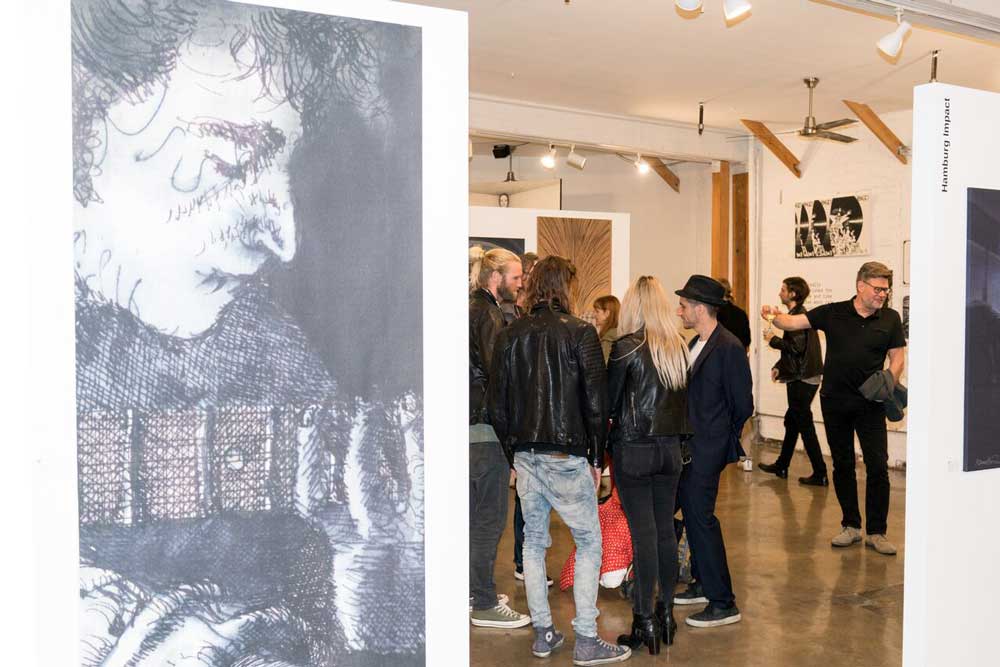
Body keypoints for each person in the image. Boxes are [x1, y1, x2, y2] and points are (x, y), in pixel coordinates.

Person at [72, 2, 424, 664]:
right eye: (226, 162)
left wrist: (374, 607)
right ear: (83, 129)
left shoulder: (270, 355)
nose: (283, 239)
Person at [489, 256, 631, 665]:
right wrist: (595, 457)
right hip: (567, 455)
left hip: (527, 455)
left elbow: (497, 405)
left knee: (533, 545)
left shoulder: (511, 333)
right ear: (565, 286)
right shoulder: (580, 333)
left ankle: (543, 633)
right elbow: (595, 402)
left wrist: (512, 454)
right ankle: (586, 639)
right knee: (589, 543)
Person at [763, 262, 905, 555]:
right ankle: (851, 526)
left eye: (886, 289)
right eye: (878, 289)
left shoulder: (890, 318)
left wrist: (889, 380)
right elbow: (793, 323)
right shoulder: (833, 312)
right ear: (861, 286)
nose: (883, 294)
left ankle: (876, 532)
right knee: (843, 465)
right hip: (835, 401)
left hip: (871, 403)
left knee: (878, 466)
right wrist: (772, 316)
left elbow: (897, 357)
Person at [607, 277, 692, 653]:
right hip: (670, 452)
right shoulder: (678, 348)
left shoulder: (626, 348)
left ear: (633, 307)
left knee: (644, 536)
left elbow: (608, 405)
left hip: (634, 451)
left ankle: (643, 620)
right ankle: (666, 615)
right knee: (662, 534)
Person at [672, 275, 753, 628]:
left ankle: (723, 602)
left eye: (684, 306)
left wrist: (722, 440)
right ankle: (703, 584)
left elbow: (743, 404)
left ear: (700, 309)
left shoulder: (729, 346)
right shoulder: (696, 343)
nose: (680, 311)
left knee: (701, 519)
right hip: (691, 447)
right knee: (692, 515)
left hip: (707, 448)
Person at [468, 247, 532, 628]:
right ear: (495, 278)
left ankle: (474, 589)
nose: (521, 283)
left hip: (470, 425)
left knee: (474, 518)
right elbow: (499, 377)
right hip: (484, 429)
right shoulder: (489, 315)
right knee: (489, 519)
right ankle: (484, 602)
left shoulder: (472, 309)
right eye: (516, 276)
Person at [758, 277, 828, 485]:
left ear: (793, 294)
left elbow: (795, 348)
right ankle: (782, 465)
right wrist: (779, 366)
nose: (780, 293)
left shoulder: (798, 317)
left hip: (802, 378)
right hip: (804, 375)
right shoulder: (796, 315)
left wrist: (773, 340)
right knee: (793, 421)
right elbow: (798, 350)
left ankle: (820, 472)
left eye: (783, 290)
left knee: (803, 423)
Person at [715, 277, 752, 352]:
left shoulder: (714, 313)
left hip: (720, 356)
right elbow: (747, 340)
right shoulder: (741, 313)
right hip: (738, 356)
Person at [594, 295, 621, 363]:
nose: (594, 315)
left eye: (597, 311)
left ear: (607, 313)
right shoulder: (619, 332)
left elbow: (603, 365)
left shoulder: (608, 338)